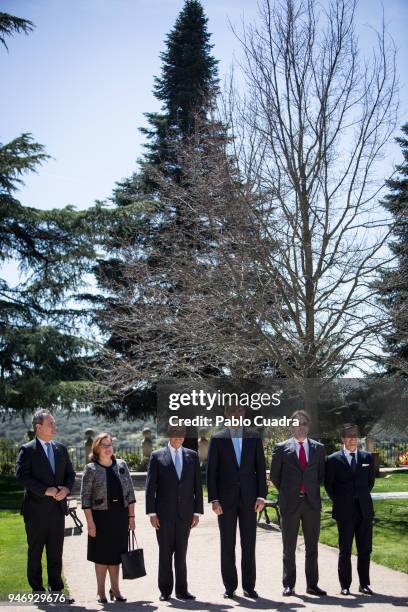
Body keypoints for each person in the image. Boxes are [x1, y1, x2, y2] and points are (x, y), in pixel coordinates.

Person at [206, 404, 267, 599]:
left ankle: (249, 586)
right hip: (225, 501)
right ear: (226, 414)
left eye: (240, 411)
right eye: (232, 411)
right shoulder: (217, 438)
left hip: (250, 500)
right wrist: (214, 499)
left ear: (244, 414)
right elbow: (211, 472)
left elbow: (260, 467)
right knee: (227, 544)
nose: (236, 415)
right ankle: (230, 586)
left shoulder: (254, 437)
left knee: (249, 544)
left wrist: (261, 496)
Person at [16, 410, 75, 601]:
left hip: (57, 510)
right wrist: (46, 490)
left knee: (56, 552)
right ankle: (38, 591)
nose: (54, 426)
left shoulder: (61, 449)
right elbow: (22, 477)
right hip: (35, 511)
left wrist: (66, 489)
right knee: (35, 552)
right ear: (38, 427)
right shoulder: (27, 450)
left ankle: (56, 589)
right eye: (51, 423)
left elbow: (70, 474)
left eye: (54, 423)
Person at [270, 409, 326, 597]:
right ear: (291, 426)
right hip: (290, 504)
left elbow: (320, 476)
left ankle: (312, 584)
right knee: (289, 547)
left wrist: (307, 490)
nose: (300, 427)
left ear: (308, 426)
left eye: (304, 423)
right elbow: (275, 477)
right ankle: (289, 584)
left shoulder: (318, 448)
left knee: (312, 546)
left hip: (311, 504)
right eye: (296, 423)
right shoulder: (281, 448)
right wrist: (289, 492)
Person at [145, 426, 203, 601]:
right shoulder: (157, 456)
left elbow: (197, 486)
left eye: (182, 434)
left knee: (181, 553)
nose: (178, 437)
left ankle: (182, 590)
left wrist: (197, 512)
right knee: (165, 552)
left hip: (185, 514)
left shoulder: (192, 456)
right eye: (175, 434)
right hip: (163, 515)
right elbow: (150, 487)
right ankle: (165, 590)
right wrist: (152, 513)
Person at [81, 432, 136, 603]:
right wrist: (90, 522)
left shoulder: (121, 465)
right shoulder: (90, 469)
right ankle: (101, 592)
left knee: (116, 555)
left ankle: (116, 589)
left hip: (119, 516)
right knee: (101, 556)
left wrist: (131, 517)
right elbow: (85, 498)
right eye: (104, 445)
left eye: (110, 444)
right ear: (97, 448)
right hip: (100, 517)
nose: (108, 448)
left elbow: (130, 493)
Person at [325, 424, 376, 596]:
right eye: (348, 436)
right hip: (344, 511)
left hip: (364, 510)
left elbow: (370, 483)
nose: (352, 438)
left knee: (365, 548)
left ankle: (364, 584)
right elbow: (329, 485)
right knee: (345, 549)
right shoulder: (332, 460)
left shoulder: (367, 457)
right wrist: (341, 500)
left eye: (355, 435)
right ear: (342, 439)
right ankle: (345, 585)